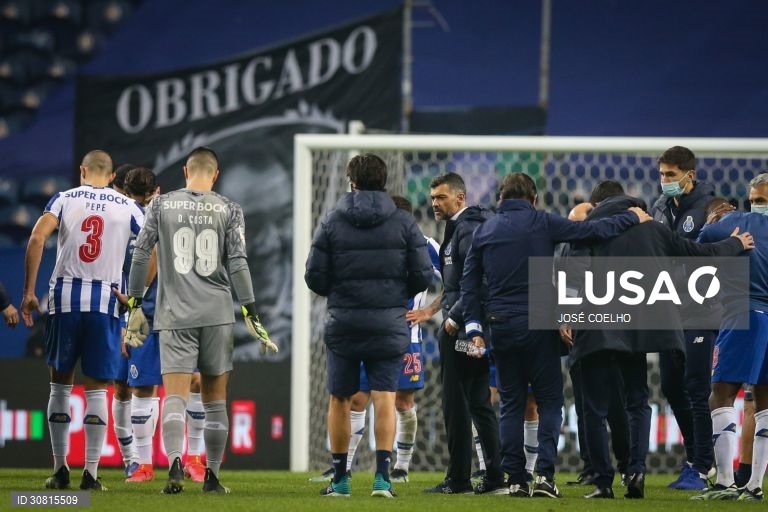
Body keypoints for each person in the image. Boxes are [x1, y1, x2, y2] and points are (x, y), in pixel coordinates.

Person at [461, 173, 651, 499]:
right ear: (533, 199)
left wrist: (475, 330)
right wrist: (630, 216)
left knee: (511, 403)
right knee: (550, 402)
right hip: (540, 322)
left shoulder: (484, 230)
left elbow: (469, 285)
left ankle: (517, 478)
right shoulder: (542, 222)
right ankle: (544, 476)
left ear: (501, 199)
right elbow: (591, 230)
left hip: (502, 324)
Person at [562, 189, 751, 500]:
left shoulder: (592, 230)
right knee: (637, 401)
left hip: (596, 324)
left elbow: (573, 272)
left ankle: (602, 482)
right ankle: (635, 470)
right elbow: (697, 254)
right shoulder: (654, 229)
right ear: (637, 209)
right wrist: (735, 243)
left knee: (593, 407)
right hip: (637, 328)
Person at [125, 146, 277, 494]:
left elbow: (141, 254)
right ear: (216, 174)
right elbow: (238, 263)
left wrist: (134, 303)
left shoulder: (161, 205)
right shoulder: (230, 209)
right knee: (214, 400)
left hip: (174, 314)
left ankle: (175, 462)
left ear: (185, 171)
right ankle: (211, 476)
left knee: (175, 396)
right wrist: (251, 311)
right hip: (217, 315)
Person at [305, 154, 433, 498]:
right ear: (384, 181)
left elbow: (313, 276)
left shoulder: (332, 220)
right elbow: (422, 275)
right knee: (385, 397)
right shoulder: (404, 223)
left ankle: (341, 480)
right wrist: (392, 296)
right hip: (389, 323)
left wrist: (342, 293)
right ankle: (382, 479)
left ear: (352, 181)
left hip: (345, 322)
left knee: (340, 399)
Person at [21, 150, 145, 491]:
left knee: (59, 385)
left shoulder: (64, 199)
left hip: (63, 300)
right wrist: (136, 295)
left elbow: (36, 238)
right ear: (110, 176)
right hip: (105, 302)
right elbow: (153, 246)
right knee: (96, 391)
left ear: (83, 171)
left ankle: (60, 470)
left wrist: (29, 292)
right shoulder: (127, 206)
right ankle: (90, 474)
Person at [422, 172, 505, 495]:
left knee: (456, 403)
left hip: (462, 327)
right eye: (432, 199)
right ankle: (494, 475)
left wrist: (454, 319)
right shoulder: (463, 227)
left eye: (441, 198)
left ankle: (458, 478)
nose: (435, 204)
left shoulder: (467, 229)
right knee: (479, 401)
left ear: (460, 197)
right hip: (474, 327)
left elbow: (478, 282)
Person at [692, 177, 768, 501]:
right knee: (765, 404)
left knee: (720, 393)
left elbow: (697, 245)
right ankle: (754, 487)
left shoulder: (735, 221)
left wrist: (714, 222)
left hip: (743, 311)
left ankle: (724, 481)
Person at [651, 146, 720, 490]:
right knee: (670, 386)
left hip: (700, 306)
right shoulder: (660, 206)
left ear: (689, 175)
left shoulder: (712, 208)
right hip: (667, 307)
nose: (665, 182)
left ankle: (704, 465)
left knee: (696, 387)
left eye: (671, 175)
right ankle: (696, 458)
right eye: (662, 174)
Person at [560, 198, 630, 488]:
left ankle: (623, 467)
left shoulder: (601, 246)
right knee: (586, 406)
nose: (573, 227)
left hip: (604, 332)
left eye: (578, 222)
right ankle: (593, 469)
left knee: (612, 406)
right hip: (581, 336)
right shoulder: (571, 246)